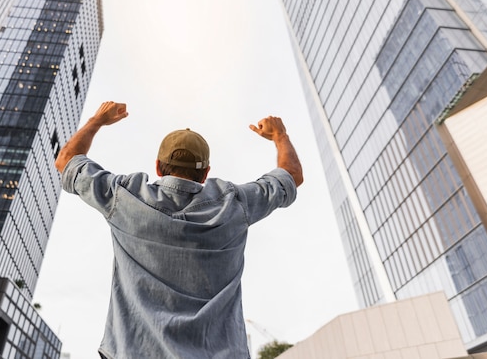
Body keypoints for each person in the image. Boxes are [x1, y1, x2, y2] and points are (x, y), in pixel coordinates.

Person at [55, 101, 303, 359]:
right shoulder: (235, 204)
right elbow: (291, 175)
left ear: (159, 167)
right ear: (205, 173)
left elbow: (66, 161)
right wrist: (279, 136)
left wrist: (97, 120)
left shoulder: (124, 197)